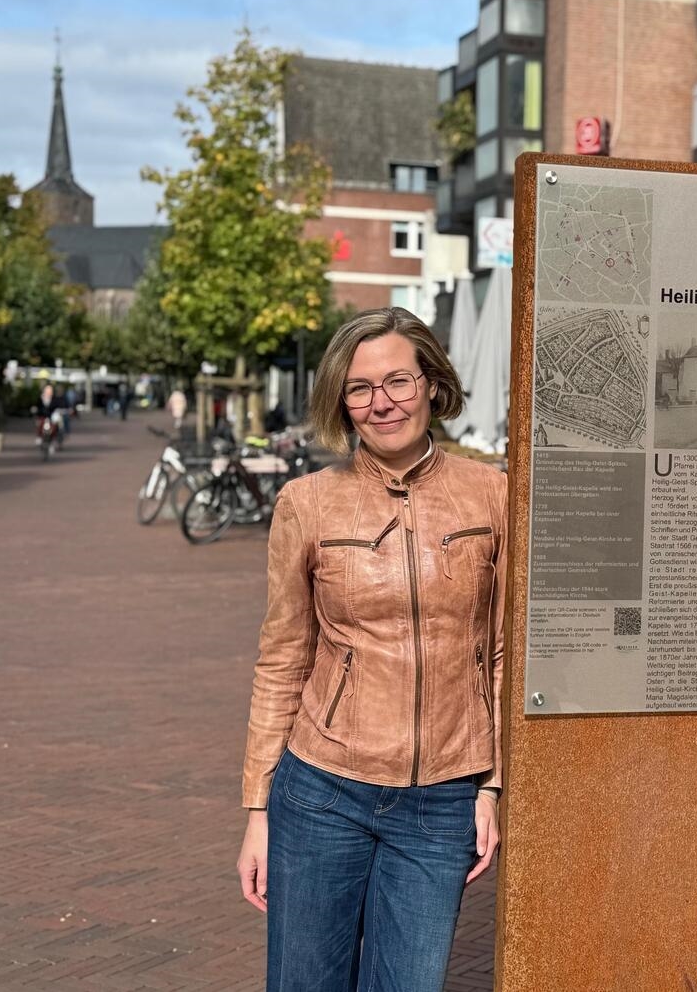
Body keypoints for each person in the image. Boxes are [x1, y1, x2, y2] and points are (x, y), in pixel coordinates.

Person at [236, 307, 507, 992]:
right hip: (321, 788)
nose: (381, 401)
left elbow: (502, 652)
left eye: (398, 380)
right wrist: (258, 810)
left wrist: (491, 784)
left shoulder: (494, 494)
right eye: (360, 388)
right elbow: (282, 658)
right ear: (342, 402)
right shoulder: (307, 504)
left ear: (433, 384)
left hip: (442, 797)